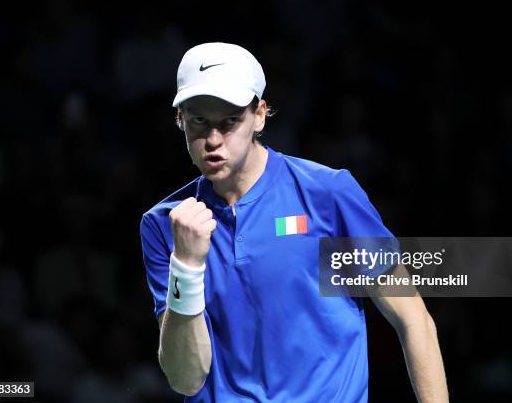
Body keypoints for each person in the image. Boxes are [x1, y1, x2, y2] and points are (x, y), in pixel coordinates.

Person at [140, 42, 448, 402]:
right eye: (199, 120)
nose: (212, 139)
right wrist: (188, 266)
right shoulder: (164, 225)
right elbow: (185, 379)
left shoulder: (328, 194)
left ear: (259, 115)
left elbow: (414, 319)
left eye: (229, 122)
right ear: (179, 118)